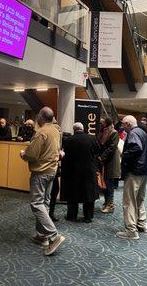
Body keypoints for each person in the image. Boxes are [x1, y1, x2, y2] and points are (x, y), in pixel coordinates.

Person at [20, 107, 65, 256]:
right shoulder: (56, 130)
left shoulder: (41, 132)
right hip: (52, 171)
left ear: (41, 117)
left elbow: (32, 154)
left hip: (40, 172)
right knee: (44, 203)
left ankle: (53, 236)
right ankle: (42, 236)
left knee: (36, 203)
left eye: (38, 115)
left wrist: (23, 154)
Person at [116, 115, 147, 240]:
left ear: (128, 124)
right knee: (139, 199)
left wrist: (124, 156)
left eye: (123, 124)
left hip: (135, 171)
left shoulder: (133, 133)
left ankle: (131, 231)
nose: (122, 127)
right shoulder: (142, 132)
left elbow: (136, 148)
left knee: (129, 201)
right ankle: (142, 224)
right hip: (145, 170)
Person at [61, 122, 99, 223]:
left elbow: (66, 155)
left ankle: (72, 216)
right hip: (89, 170)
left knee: (73, 194)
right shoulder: (92, 138)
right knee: (88, 193)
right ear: (83, 129)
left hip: (73, 171)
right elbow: (97, 152)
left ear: (74, 130)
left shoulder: (68, 140)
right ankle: (88, 217)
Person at [97, 117, 121, 214]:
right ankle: (107, 202)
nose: (101, 124)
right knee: (105, 184)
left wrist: (102, 157)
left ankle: (110, 205)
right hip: (104, 162)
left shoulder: (114, 133)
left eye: (102, 122)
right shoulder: (103, 132)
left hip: (111, 162)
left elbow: (112, 148)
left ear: (107, 123)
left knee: (109, 184)